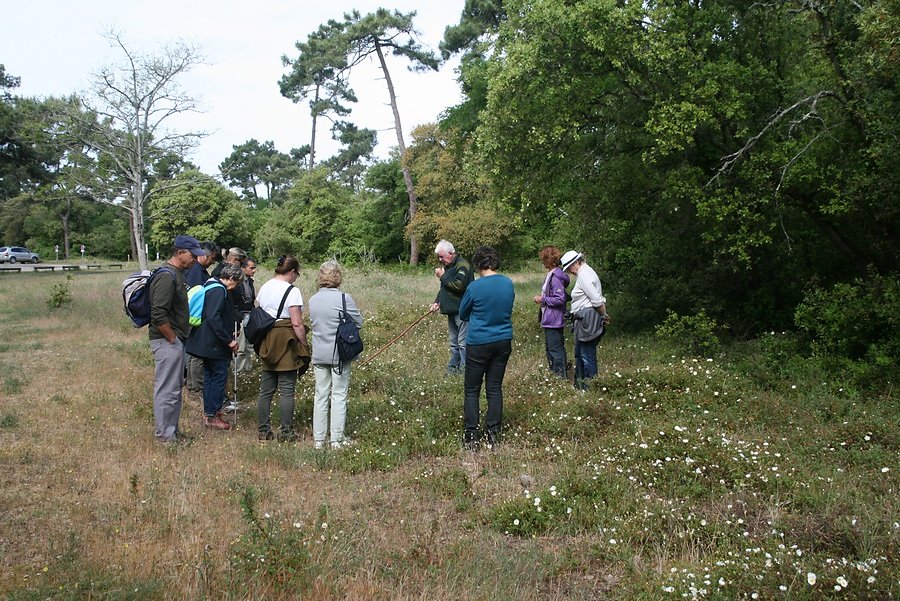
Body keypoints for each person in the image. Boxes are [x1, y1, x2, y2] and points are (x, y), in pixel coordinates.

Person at [149, 235, 206, 443]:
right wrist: (172, 339)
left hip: (175, 340)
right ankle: (165, 436)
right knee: (167, 390)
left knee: (174, 390)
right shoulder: (166, 276)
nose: (195, 259)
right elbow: (158, 314)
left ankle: (171, 431)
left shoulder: (179, 274)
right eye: (192, 255)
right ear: (180, 252)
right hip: (167, 341)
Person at [458, 246, 514, 451]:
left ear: (478, 264)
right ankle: (494, 434)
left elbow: (463, 313)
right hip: (503, 340)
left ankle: (472, 436)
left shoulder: (475, 287)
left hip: (479, 341)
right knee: (494, 387)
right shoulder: (508, 283)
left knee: (472, 389)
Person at [309, 260, 363, 450]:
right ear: (338, 277)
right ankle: (336, 440)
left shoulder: (313, 299)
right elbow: (358, 322)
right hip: (340, 353)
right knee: (339, 395)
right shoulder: (344, 298)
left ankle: (318, 440)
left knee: (320, 395)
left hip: (318, 354)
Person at [255, 255, 310, 442]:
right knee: (287, 389)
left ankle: (263, 431)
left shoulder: (265, 286)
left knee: (266, 389)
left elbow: (259, 310)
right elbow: (297, 323)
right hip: (286, 339)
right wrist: (304, 343)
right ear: (292, 272)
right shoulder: (292, 291)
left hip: (267, 339)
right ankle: (286, 432)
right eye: (297, 274)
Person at [185, 263, 244, 430]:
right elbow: (213, 318)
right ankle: (213, 415)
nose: (235, 287)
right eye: (236, 283)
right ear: (231, 278)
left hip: (205, 341)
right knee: (218, 378)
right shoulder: (219, 290)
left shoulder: (210, 284)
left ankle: (209, 413)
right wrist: (229, 341)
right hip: (214, 344)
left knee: (210, 377)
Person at [561, 250, 610, 389]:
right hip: (584, 318)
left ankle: (591, 387)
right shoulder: (585, 273)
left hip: (588, 318)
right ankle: (581, 386)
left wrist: (603, 316)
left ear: (577, 262)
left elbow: (596, 299)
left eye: (570, 267)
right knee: (581, 353)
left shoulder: (585, 274)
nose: (570, 271)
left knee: (587, 355)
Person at [429, 240, 474, 375]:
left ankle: (466, 372)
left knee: (463, 343)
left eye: (442, 256)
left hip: (462, 310)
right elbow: (445, 288)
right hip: (451, 310)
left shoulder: (462, 266)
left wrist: (442, 276)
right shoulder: (449, 266)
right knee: (454, 343)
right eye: (439, 257)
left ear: (450, 253)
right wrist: (437, 302)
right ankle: (453, 371)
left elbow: (458, 286)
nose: (440, 259)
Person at [185, 241, 219, 395]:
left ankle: (192, 384)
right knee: (197, 353)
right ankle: (196, 386)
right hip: (195, 317)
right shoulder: (196, 272)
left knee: (193, 352)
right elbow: (195, 296)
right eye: (212, 258)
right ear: (204, 256)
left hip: (194, 316)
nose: (213, 261)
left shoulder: (199, 270)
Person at [533, 246, 571, 379]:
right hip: (550, 317)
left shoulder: (555, 277)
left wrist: (542, 299)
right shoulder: (553, 274)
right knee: (553, 348)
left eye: (544, 259)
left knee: (555, 349)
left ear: (549, 260)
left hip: (554, 318)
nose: (542, 262)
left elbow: (560, 298)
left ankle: (560, 376)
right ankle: (557, 374)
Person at [233, 257, 257, 373]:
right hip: (239, 318)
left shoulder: (250, 282)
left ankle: (247, 372)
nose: (254, 271)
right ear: (243, 268)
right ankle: (238, 372)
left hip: (249, 317)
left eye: (254, 268)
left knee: (249, 347)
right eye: (251, 268)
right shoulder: (236, 283)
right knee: (240, 347)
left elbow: (251, 301)